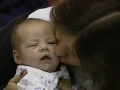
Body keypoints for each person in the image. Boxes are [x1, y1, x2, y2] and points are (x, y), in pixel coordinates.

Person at [3, 0, 120, 90]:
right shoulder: (36, 27)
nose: (57, 51)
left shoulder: (109, 78)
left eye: (72, 53)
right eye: (57, 39)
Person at [10, 7, 70, 90]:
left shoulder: (60, 70)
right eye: (34, 45)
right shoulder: (29, 76)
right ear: (18, 57)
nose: (44, 47)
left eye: (51, 42)